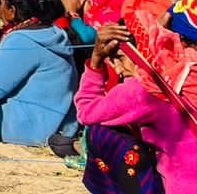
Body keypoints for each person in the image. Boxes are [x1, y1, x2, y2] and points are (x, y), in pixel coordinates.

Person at [77, 20, 197, 194]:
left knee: (98, 133)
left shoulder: (145, 89)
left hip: (182, 187)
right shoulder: (187, 71)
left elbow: (86, 111)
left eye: (120, 58)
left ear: (139, 52)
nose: (118, 70)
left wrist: (96, 62)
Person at [0, 0, 79, 146]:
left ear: (12, 10)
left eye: (2, 2)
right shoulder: (53, 32)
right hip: (59, 128)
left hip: (25, 133)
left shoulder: (21, 39)